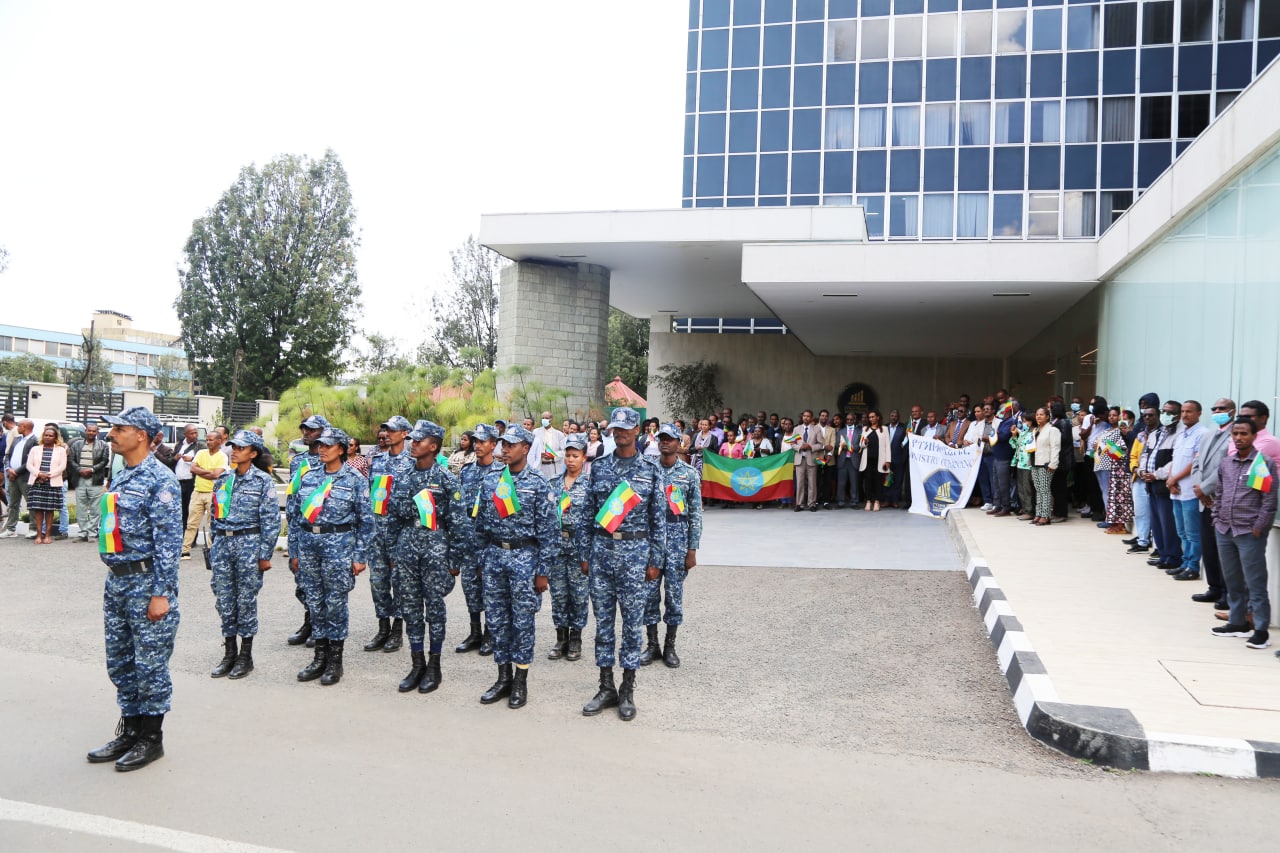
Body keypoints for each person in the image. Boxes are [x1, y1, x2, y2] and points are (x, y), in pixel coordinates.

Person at [86, 407, 181, 772]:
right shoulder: (123, 474)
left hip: (146, 581)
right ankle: (130, 731)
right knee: (121, 661)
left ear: (141, 435)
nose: (111, 434)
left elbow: (169, 544)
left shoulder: (160, 479)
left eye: (119, 428)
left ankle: (151, 739)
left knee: (150, 663)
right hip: (118, 581)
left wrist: (161, 593)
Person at [575, 406, 665, 721]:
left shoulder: (650, 469)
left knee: (631, 624)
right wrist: (584, 554)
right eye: (617, 428)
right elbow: (587, 514)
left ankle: (627, 689)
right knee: (603, 624)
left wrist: (655, 559)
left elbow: (659, 520)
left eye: (627, 428)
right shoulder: (599, 467)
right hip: (602, 552)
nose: (621, 433)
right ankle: (605, 687)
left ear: (638, 430)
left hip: (636, 554)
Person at [473, 424, 556, 709]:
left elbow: (548, 533)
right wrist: (482, 559)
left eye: (511, 445)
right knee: (497, 620)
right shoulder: (492, 480)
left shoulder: (538, 482)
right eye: (503, 444)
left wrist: (543, 572)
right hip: (495, 556)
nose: (504, 449)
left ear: (526, 448)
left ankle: (520, 680)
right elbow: (480, 525)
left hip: (525, 558)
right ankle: (503, 677)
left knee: (522, 622)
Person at [287, 427, 374, 686]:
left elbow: (366, 522)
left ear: (342, 449)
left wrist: (359, 556)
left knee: (335, 604)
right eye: (319, 445)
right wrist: (294, 551)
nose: (321, 449)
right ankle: (319, 657)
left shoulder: (355, 479)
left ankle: (335, 660)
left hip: (339, 548)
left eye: (327, 445)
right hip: (309, 546)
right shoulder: (309, 476)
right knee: (314, 602)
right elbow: (296, 516)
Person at [388, 420, 467, 694]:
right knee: (410, 607)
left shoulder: (446, 479)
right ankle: (417, 663)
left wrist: (454, 561)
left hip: (435, 547)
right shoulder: (404, 476)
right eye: (412, 440)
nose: (413, 444)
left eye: (419, 441)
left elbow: (459, 523)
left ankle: (434, 665)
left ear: (433, 447)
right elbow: (393, 517)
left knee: (434, 608)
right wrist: (393, 552)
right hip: (407, 546)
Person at [207, 430, 280, 680]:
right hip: (223, 544)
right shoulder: (224, 479)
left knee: (246, 600)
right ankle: (229, 653)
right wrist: (215, 543)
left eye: (241, 448)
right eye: (234, 447)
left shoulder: (263, 481)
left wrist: (264, 554)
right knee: (224, 599)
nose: (235, 451)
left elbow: (270, 520)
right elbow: (215, 512)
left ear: (253, 453)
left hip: (249, 543)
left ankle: (245, 656)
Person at [1209, 417, 1276, 650]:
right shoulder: (1226, 463)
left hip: (1249, 532)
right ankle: (1237, 623)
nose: (1238, 437)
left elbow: (1269, 501)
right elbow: (1219, 493)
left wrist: (1259, 527)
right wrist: (1216, 518)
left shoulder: (1261, 463)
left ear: (1254, 436)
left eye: (1244, 433)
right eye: (1235, 433)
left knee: (1255, 583)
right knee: (1233, 580)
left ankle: (1261, 631)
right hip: (1224, 530)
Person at [641, 424, 702, 668]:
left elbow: (695, 514)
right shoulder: (647, 469)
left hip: (678, 540)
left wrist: (692, 550)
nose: (665, 442)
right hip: (651, 541)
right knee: (649, 594)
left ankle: (670, 646)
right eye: (662, 439)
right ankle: (652, 645)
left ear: (679, 443)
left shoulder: (689, 474)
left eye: (670, 439)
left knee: (674, 595)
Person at [363, 415, 414, 653]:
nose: (388, 434)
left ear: (405, 434)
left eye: (393, 430)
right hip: (377, 532)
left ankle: (397, 630)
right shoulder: (377, 461)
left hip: (401, 533)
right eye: (386, 430)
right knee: (378, 582)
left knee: (400, 583)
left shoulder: (412, 463)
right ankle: (382, 627)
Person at [455, 423, 504, 655]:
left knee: (490, 588)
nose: (477, 445)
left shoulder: (502, 473)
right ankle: (475, 632)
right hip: (469, 536)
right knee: (470, 586)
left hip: (491, 539)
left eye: (483, 441)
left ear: (493, 445)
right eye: (475, 441)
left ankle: (490, 633)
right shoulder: (467, 471)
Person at [547, 433, 592, 662]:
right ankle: (561, 637)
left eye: (575, 456)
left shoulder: (590, 484)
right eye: (568, 455)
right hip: (557, 546)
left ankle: (576, 638)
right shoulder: (554, 483)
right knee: (558, 594)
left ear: (584, 457)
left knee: (579, 594)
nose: (571, 460)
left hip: (579, 547)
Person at [285, 414, 329, 647]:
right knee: (301, 580)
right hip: (298, 524)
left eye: (312, 429)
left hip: (321, 529)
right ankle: (309, 620)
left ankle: (320, 625)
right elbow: (293, 493)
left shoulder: (328, 460)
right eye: (304, 429)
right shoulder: (298, 461)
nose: (306, 432)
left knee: (321, 582)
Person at [1191, 398, 1236, 607]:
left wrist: (1205, 489)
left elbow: (1225, 467)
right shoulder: (1208, 435)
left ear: (1232, 412)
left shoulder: (1236, 435)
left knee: (1223, 550)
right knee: (1208, 546)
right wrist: (1198, 488)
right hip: (1204, 500)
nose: (1217, 411)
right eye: (1215, 409)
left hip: (1220, 499)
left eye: (1222, 409)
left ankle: (1226, 592)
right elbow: (1196, 464)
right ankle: (1214, 587)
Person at [180, 428, 228, 560]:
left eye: (211, 440)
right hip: (197, 491)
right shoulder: (201, 453)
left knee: (212, 523)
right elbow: (192, 468)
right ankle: (185, 550)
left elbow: (216, 475)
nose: (208, 442)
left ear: (219, 441)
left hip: (213, 493)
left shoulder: (222, 456)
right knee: (191, 523)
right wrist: (208, 472)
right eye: (207, 440)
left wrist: (200, 471)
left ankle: (212, 550)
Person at [26, 424, 67, 544]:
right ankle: (39, 535)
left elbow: (62, 466)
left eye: (50, 436)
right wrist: (39, 474)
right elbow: (29, 465)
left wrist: (48, 475)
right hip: (37, 482)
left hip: (52, 483)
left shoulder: (61, 450)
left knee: (49, 510)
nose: (47, 437)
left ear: (55, 438)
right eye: (46, 435)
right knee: (38, 509)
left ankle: (47, 535)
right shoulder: (35, 449)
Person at [2, 418, 36, 538]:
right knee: (13, 504)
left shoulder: (34, 441)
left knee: (30, 503)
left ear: (26, 427)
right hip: (12, 476)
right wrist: (8, 469)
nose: (17, 427)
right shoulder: (17, 439)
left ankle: (33, 529)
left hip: (25, 476)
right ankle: (11, 529)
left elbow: (31, 460)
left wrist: (16, 471)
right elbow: (8, 455)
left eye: (20, 426)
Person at [1030, 407, 1061, 526]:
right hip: (1035, 462)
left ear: (1047, 417)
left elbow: (1055, 447)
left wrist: (1053, 463)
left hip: (1046, 463)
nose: (1038, 416)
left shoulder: (1052, 430)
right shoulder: (1036, 429)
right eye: (1037, 414)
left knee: (1045, 490)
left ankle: (1046, 515)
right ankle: (1038, 514)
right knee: (1038, 489)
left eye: (1041, 414)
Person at [172, 425, 204, 532]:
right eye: (192, 433)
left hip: (191, 482)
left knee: (190, 511)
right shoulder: (179, 445)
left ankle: (191, 537)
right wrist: (175, 458)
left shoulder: (200, 446)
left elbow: (205, 461)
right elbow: (171, 460)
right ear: (185, 434)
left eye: (196, 433)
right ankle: (181, 534)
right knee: (179, 510)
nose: (195, 435)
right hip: (178, 482)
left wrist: (192, 459)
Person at [859, 410, 891, 512]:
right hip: (868, 460)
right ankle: (868, 501)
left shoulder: (884, 429)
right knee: (868, 481)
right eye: (870, 417)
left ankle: (877, 501)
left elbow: (887, 446)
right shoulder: (865, 429)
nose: (871, 419)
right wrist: (865, 442)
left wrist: (888, 460)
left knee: (878, 481)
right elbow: (861, 445)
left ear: (878, 417)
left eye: (873, 417)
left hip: (880, 460)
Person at [789, 410, 820, 512]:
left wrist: (811, 447)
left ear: (811, 418)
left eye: (808, 416)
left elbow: (821, 444)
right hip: (800, 459)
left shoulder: (816, 429)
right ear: (802, 417)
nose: (806, 418)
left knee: (812, 483)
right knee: (800, 483)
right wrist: (800, 447)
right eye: (804, 416)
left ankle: (812, 504)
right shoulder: (796, 429)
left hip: (812, 459)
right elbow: (792, 443)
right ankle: (799, 504)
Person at [1011, 409, 1036, 519]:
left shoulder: (1035, 432)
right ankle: (1025, 509)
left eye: (1025, 421)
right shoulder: (1024, 432)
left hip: (1028, 464)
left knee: (1027, 489)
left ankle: (1029, 511)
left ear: (1031, 421)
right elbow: (1015, 446)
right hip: (1020, 463)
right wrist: (1014, 436)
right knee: (1021, 488)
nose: (1023, 423)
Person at [529, 410, 566, 480]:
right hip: (540, 466)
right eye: (543, 418)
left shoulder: (559, 434)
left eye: (546, 418)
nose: (544, 420)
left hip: (553, 466)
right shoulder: (535, 432)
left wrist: (553, 455)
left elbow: (564, 452)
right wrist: (539, 454)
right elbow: (531, 449)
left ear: (551, 419)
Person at [834, 413, 860, 509]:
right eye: (847, 419)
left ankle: (854, 502)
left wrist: (852, 447)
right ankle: (840, 502)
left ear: (854, 420)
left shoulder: (859, 431)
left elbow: (860, 445)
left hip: (854, 460)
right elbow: (837, 444)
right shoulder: (841, 431)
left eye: (851, 419)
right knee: (841, 482)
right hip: (843, 460)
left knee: (854, 482)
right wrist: (842, 446)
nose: (849, 421)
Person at [885, 409, 909, 508]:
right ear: (889, 416)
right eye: (892, 416)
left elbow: (906, 442)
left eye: (895, 416)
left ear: (898, 417)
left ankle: (895, 500)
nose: (893, 417)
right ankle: (887, 500)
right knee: (887, 480)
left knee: (898, 480)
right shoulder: (885, 427)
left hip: (899, 458)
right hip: (887, 459)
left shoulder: (903, 428)